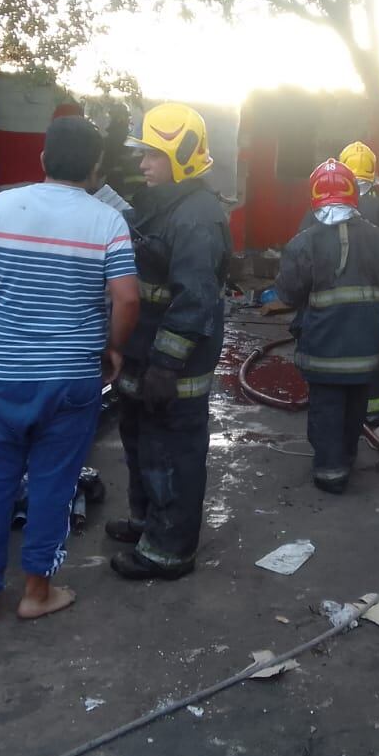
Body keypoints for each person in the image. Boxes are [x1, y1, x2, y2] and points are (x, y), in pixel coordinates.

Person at [0, 116, 140, 622]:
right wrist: (114, 347)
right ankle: (36, 592)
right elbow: (126, 298)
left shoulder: (1, 206)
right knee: (52, 486)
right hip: (70, 376)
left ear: (43, 159)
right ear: (95, 167)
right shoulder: (106, 221)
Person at [105, 102, 232, 580]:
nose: (143, 164)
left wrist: (163, 364)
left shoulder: (196, 218)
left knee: (172, 455)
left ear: (180, 155)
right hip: (144, 357)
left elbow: (194, 301)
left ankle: (169, 551)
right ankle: (146, 523)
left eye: (153, 155)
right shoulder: (163, 206)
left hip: (171, 368)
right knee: (140, 445)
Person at [277, 159, 379, 492]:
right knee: (355, 407)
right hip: (367, 349)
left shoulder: (303, 243)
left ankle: (331, 473)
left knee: (327, 410)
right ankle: (347, 458)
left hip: (324, 351)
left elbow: (289, 294)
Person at [297, 141, 379, 428]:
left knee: (329, 364)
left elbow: (298, 264)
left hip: (323, 310)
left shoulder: (315, 213)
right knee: (371, 355)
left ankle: (334, 416)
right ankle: (377, 410)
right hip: (371, 306)